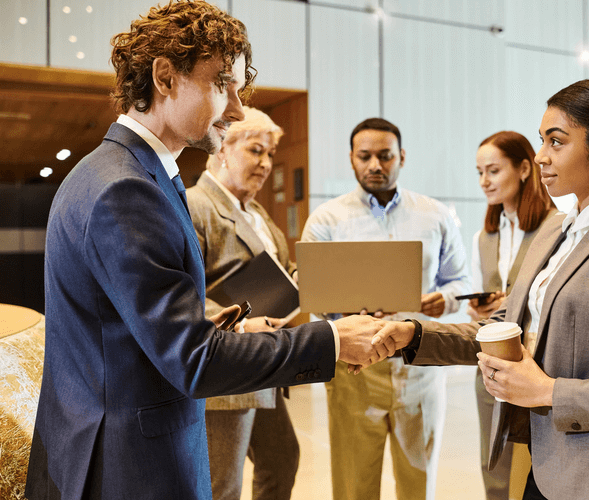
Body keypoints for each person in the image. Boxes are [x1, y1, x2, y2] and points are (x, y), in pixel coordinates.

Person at [25, 3, 386, 499]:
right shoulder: (124, 189)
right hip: (129, 467)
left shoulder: (133, 173)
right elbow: (192, 358)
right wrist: (334, 340)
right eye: (223, 85)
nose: (237, 109)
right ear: (165, 76)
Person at [372, 77, 589, 500]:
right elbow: (504, 329)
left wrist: (548, 391)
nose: (541, 157)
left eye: (556, 142)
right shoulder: (558, 233)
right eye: (541, 140)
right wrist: (414, 334)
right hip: (545, 466)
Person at [301, 117, 471, 500]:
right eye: (365, 156)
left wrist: (442, 299)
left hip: (421, 365)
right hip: (354, 368)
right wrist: (342, 309)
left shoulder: (435, 215)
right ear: (351, 159)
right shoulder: (327, 220)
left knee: (418, 481)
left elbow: (460, 281)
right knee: (353, 483)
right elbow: (311, 295)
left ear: (401, 156)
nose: (375, 165)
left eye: (385, 155)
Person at [186, 106, 299, 500]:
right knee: (223, 485)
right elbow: (179, 295)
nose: (266, 164)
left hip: (265, 366)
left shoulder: (257, 213)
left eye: (270, 154)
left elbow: (280, 273)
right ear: (222, 149)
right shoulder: (194, 205)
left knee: (282, 460)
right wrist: (239, 325)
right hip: (227, 370)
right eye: (256, 151)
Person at [469, 131, 555, 499]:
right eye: (479, 172)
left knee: (528, 470)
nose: (484, 181)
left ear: (523, 169)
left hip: (534, 365)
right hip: (489, 364)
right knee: (495, 464)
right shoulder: (483, 237)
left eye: (493, 170)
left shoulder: (555, 227)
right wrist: (479, 307)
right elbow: (474, 302)